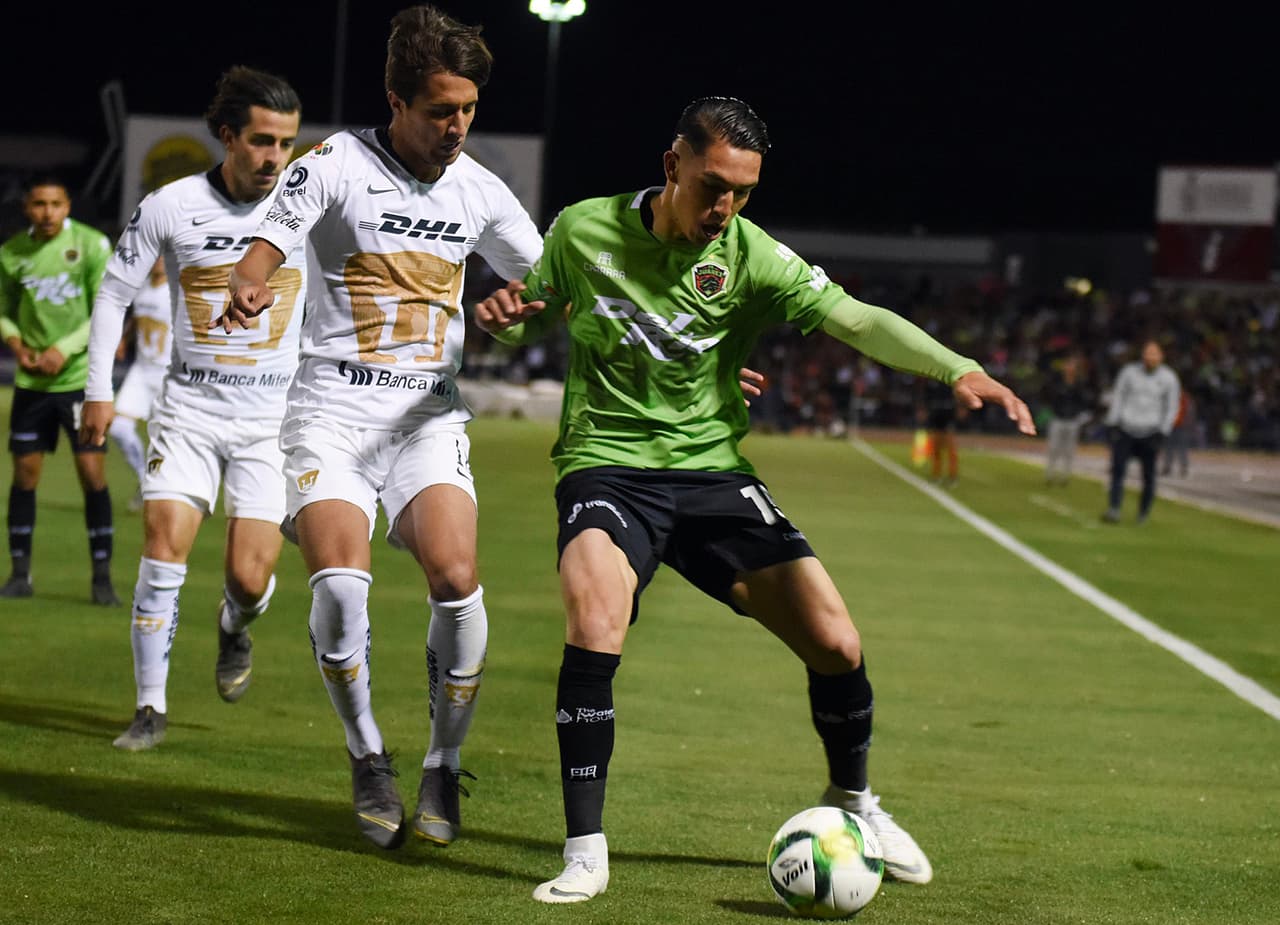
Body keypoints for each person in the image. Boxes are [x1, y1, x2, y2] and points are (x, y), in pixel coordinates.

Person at [475, 96, 1036, 904]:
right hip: (608, 467)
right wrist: (505, 319)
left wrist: (957, 367)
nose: (725, 206)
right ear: (672, 166)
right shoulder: (582, 229)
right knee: (595, 618)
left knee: (838, 642)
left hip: (711, 475)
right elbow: (535, 320)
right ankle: (585, 848)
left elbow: (856, 318)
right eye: (712, 185)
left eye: (742, 190)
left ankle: (856, 803)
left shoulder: (751, 254)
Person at [215, 4, 542, 851]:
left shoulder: (479, 190)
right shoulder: (333, 163)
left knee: (457, 575)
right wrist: (250, 283)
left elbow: (551, 285)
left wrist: (518, 308)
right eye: (440, 110)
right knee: (338, 587)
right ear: (396, 101)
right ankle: (368, 755)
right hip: (329, 415)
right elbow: (272, 241)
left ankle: (440, 762)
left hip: (426, 420)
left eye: (468, 109)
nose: (457, 127)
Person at [79, 66, 306, 750]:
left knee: (248, 576)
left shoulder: (306, 210)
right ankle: (150, 707)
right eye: (262, 141)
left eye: (287, 143)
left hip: (270, 421)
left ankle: (235, 625)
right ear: (227, 136)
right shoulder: (170, 205)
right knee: (162, 552)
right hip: (187, 410)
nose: (275, 158)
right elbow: (114, 294)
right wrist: (98, 390)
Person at [0, 175, 119, 605]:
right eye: (38, 204)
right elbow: (3, 311)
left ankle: (102, 578)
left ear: (68, 205)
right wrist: (15, 341)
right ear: (26, 207)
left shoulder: (91, 246)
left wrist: (62, 349)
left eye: (55, 203)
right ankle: (19, 574)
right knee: (25, 476)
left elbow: (104, 311)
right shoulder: (12, 253)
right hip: (32, 384)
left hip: (78, 383)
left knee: (92, 475)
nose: (47, 212)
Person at [109, 257, 172, 509]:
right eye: (155, 256)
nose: (158, 261)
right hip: (141, 370)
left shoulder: (177, 288)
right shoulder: (144, 286)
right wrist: (124, 338)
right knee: (118, 429)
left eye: (162, 256)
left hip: (167, 373)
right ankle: (145, 478)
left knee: (168, 439)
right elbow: (136, 315)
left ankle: (172, 492)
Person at [1101, 339, 1180, 524]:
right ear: (1142, 355)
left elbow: (1171, 406)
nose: (1150, 358)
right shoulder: (1129, 373)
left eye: (1154, 354)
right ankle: (1114, 509)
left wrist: (1163, 430)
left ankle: (1143, 513)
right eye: (1147, 353)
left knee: (1149, 476)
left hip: (1151, 431)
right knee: (1118, 470)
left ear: (1161, 356)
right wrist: (1113, 422)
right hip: (1127, 428)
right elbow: (1118, 397)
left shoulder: (1169, 378)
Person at [1043, 351, 1091, 486]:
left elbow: (1083, 401)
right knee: (1053, 448)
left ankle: (1065, 476)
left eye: (1072, 365)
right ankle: (1050, 474)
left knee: (1069, 450)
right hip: (1058, 418)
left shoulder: (1079, 384)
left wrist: (1079, 415)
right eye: (1068, 365)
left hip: (1072, 420)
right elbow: (1049, 396)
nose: (1070, 368)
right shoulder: (1057, 382)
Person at [1160, 388, 1193, 478]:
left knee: (1182, 448)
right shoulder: (1169, 396)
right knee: (1169, 447)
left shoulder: (1183, 396)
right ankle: (1167, 467)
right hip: (1170, 425)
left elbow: (1188, 410)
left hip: (1181, 425)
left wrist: (1187, 422)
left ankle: (1184, 467)